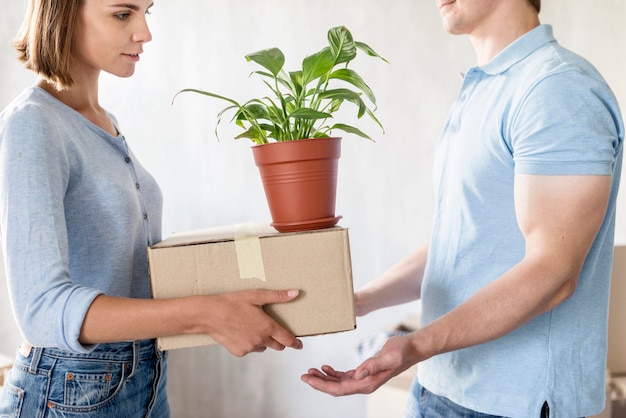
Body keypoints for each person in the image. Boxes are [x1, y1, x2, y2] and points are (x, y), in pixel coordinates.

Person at [301, 0, 624, 417]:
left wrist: (415, 344)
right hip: (439, 386)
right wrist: (359, 301)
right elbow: (458, 243)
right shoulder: (486, 86)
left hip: (509, 405)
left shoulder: (556, 89)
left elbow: (553, 272)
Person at [0, 1, 303, 417]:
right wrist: (204, 315)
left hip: (144, 376)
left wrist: (229, 297)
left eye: (147, 12)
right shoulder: (33, 122)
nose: (145, 33)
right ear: (64, 13)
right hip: (69, 390)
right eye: (123, 14)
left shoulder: (104, 121)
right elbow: (41, 309)